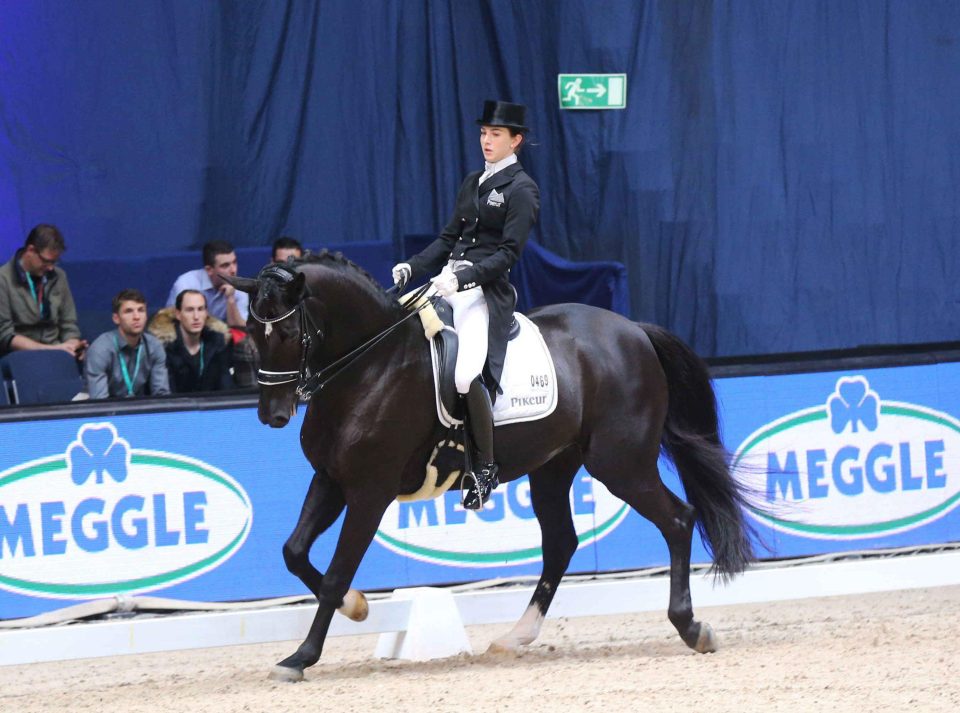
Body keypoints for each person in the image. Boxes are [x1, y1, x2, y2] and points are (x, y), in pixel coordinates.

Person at [392, 99, 539, 510]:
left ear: (516, 140)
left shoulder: (522, 190)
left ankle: (485, 467)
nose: (486, 141)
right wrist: (413, 265)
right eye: (483, 133)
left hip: (482, 291)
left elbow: (508, 254)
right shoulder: (473, 181)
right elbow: (446, 240)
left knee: (464, 374)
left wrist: (463, 276)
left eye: (495, 134)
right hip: (446, 283)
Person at [0, 224, 86, 358]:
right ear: (30, 250)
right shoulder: (3, 279)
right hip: (20, 355)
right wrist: (52, 349)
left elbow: (68, 324)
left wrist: (73, 345)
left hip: (58, 349)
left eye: (55, 262)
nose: (51, 268)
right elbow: (5, 335)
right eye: (47, 261)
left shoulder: (59, 276)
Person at [84, 289, 170, 399]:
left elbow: (161, 395)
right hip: (94, 407)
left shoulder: (154, 346)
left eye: (141, 310)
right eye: (129, 311)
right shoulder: (100, 349)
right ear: (116, 318)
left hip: (137, 409)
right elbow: (99, 402)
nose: (136, 317)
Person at [148, 289, 235, 393]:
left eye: (200, 309)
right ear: (178, 314)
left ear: (206, 313)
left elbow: (226, 386)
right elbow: (166, 394)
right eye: (190, 310)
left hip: (212, 407)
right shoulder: (165, 347)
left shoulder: (217, 342)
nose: (196, 316)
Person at [166, 240, 249, 328]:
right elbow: (171, 323)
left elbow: (240, 330)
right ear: (209, 270)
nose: (233, 270)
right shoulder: (185, 284)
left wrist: (231, 299)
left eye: (234, 262)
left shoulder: (240, 289)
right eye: (225, 265)